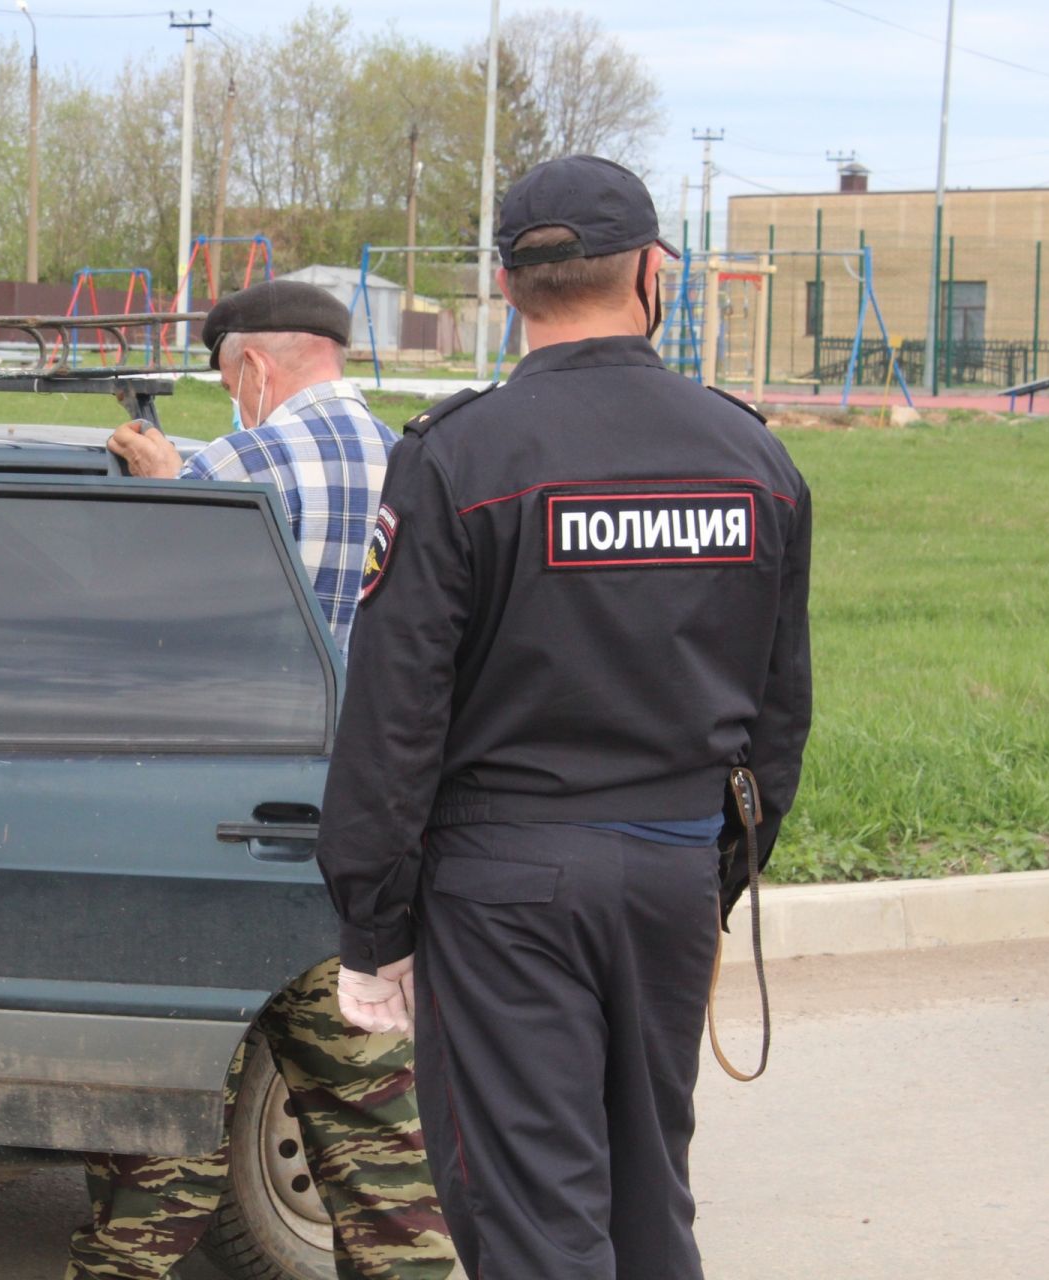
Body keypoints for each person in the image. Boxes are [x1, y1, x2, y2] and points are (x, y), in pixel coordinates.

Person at [315, 155, 813, 1279]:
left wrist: (372, 922)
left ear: (505, 285)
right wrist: (717, 870)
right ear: (656, 275)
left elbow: (395, 716)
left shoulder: (458, 457)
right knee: (648, 1203)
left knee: (535, 1216)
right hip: (672, 868)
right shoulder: (753, 457)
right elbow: (779, 714)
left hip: (506, 884)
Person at [68, 281, 456, 1280]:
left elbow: (144, 620)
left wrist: (164, 481)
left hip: (224, 830)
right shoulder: (423, 466)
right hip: (366, 845)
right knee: (381, 1149)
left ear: (252, 367)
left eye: (227, 380)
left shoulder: (235, 467)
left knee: (167, 1121)